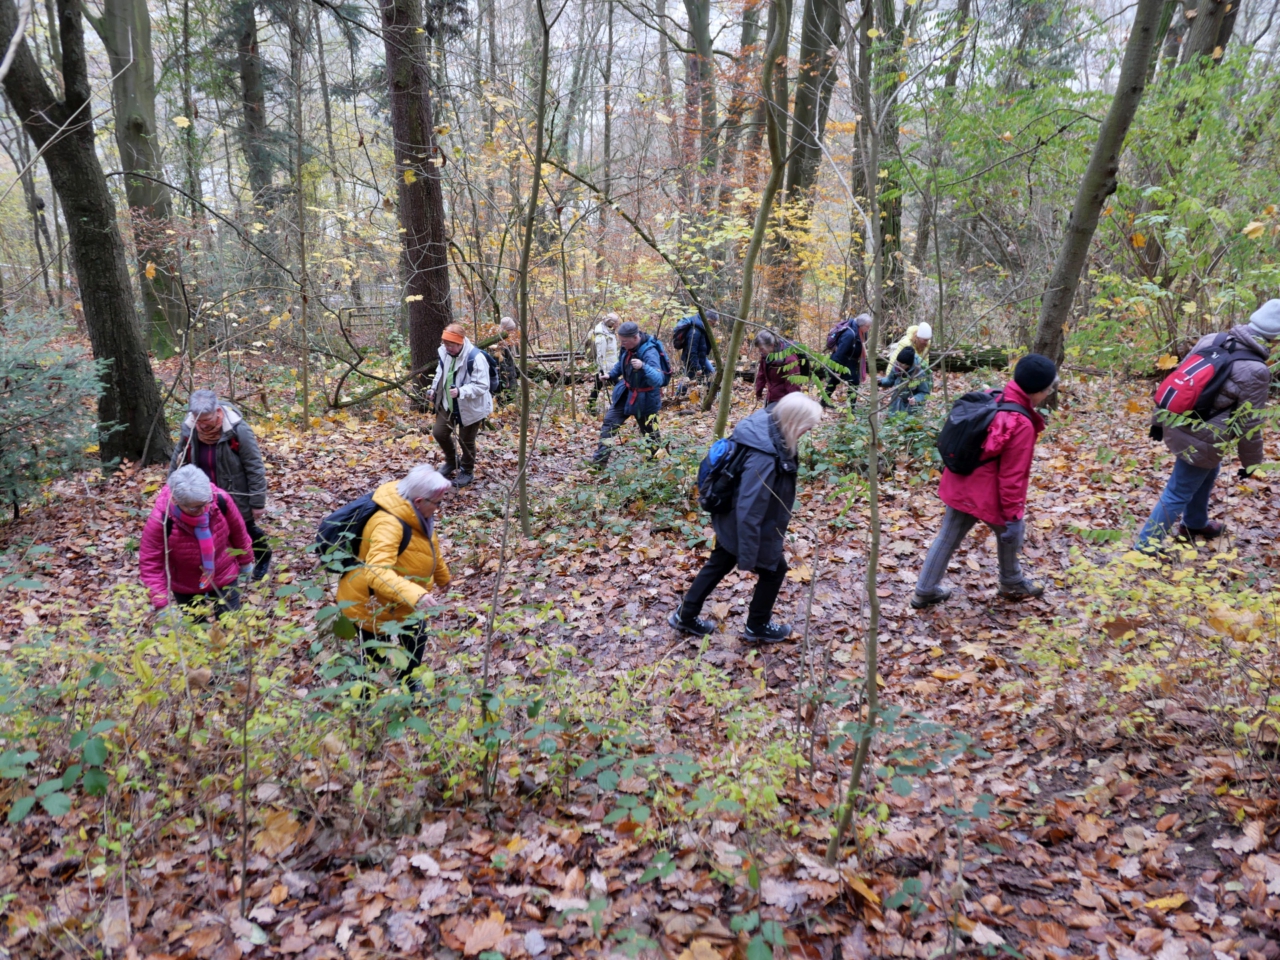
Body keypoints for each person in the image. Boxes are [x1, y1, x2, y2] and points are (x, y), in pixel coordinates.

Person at [668, 394, 824, 643]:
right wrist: (750, 554)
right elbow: (750, 506)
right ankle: (757, 625)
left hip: (733, 519)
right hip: (743, 524)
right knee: (774, 570)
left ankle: (685, 616)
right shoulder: (766, 455)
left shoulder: (766, 426)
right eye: (808, 425)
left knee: (718, 563)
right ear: (794, 421)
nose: (809, 430)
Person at [911, 355, 1059, 608]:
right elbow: (1013, 476)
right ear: (1036, 391)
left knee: (948, 536)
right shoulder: (1020, 422)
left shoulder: (994, 396)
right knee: (1010, 532)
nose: (1048, 394)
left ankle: (925, 591)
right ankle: (1011, 581)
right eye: (1047, 389)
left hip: (960, 480)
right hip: (982, 492)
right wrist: (1013, 515)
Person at [1136, 300, 1280, 549]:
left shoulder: (1213, 339)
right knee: (1178, 492)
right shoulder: (1257, 370)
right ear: (1274, 339)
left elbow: (1175, 380)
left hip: (1178, 422)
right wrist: (1251, 464)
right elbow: (1249, 423)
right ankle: (1145, 546)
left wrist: (1158, 422)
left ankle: (1195, 522)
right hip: (1203, 438)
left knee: (1208, 470)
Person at [335, 466, 453, 687]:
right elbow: (376, 572)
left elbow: (430, 548)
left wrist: (442, 576)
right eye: (437, 503)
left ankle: (407, 683)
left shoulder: (418, 515)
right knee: (375, 657)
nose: (438, 508)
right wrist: (417, 595)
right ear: (419, 501)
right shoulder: (389, 524)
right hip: (371, 603)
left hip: (403, 598)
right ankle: (364, 699)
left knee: (416, 641)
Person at [170, 389, 271, 581]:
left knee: (245, 528)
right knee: (215, 529)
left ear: (217, 411)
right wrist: (171, 489)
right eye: (198, 420)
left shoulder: (237, 430)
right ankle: (226, 566)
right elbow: (178, 459)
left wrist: (257, 502)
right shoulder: (190, 429)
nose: (202, 425)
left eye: (206, 419)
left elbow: (255, 466)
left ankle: (263, 556)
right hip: (203, 491)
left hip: (235, 491)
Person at [140, 464, 254, 619]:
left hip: (224, 572)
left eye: (204, 503)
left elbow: (239, 532)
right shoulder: (161, 520)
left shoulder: (219, 499)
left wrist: (246, 561)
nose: (202, 510)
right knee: (196, 631)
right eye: (194, 508)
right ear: (175, 500)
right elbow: (151, 563)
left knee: (231, 623)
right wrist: (161, 603)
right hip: (185, 584)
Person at [428, 322, 493, 487]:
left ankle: (467, 471)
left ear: (460, 342)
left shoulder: (476, 357)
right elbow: (440, 373)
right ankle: (452, 461)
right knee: (439, 432)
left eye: (451, 345)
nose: (448, 348)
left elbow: (482, 385)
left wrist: (461, 391)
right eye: (446, 344)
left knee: (466, 441)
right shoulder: (445, 353)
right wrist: (433, 389)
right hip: (448, 403)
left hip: (471, 406)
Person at [592, 321, 666, 466]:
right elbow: (621, 363)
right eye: (621, 341)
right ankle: (599, 462)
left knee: (650, 434)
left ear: (635, 338)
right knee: (609, 424)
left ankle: (654, 466)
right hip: (626, 393)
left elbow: (659, 379)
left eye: (624, 341)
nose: (622, 344)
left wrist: (643, 366)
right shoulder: (627, 348)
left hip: (646, 399)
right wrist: (611, 375)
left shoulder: (650, 352)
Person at [829, 314, 872, 408]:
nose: (868, 329)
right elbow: (839, 352)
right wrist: (835, 370)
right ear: (861, 325)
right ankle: (851, 407)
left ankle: (824, 401)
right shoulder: (849, 334)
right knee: (854, 382)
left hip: (850, 360)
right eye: (867, 327)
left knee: (834, 380)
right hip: (843, 361)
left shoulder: (859, 332)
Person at [754, 330, 804, 407]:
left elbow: (793, 385)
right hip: (771, 397)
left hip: (784, 401)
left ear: (772, 345)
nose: (760, 351)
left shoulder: (789, 359)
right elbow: (761, 374)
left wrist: (792, 406)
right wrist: (758, 392)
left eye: (761, 348)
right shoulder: (766, 356)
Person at [878, 345, 932, 414]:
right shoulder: (896, 367)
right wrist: (881, 381)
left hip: (911, 407)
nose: (898, 366)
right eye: (898, 363)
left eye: (901, 365)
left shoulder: (919, 374)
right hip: (896, 402)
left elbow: (924, 393)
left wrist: (916, 399)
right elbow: (890, 380)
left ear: (908, 365)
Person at [587, 313, 621, 411]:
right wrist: (603, 371)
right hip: (606, 368)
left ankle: (590, 406)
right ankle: (621, 406)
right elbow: (601, 355)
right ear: (611, 323)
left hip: (611, 366)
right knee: (619, 386)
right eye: (617, 322)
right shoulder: (601, 335)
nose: (618, 324)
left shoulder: (608, 331)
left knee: (597, 386)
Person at [678, 311, 715, 381]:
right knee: (688, 380)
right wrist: (697, 367)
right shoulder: (695, 330)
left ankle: (712, 391)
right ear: (708, 321)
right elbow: (691, 351)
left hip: (701, 357)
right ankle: (679, 392)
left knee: (711, 372)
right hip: (691, 360)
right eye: (713, 324)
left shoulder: (701, 328)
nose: (712, 326)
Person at [495, 317, 520, 405]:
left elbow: (510, 361)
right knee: (507, 401)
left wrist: (515, 374)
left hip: (511, 375)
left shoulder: (509, 341)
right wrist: (506, 380)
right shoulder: (500, 343)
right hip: (505, 379)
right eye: (510, 330)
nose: (513, 332)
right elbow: (501, 364)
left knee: (513, 401)